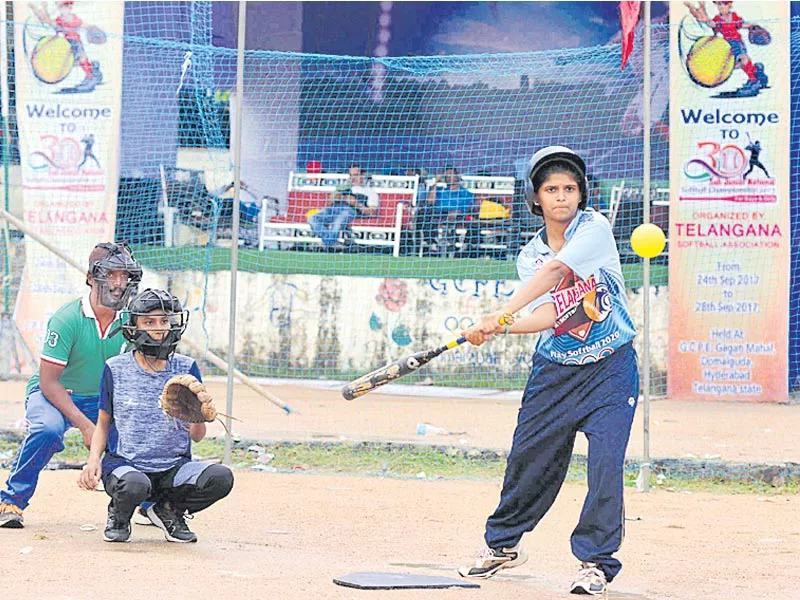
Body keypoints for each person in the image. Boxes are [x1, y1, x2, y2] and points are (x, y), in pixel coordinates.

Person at [457, 146, 639, 596]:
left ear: (581, 194)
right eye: (551, 190)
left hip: (611, 370)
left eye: (570, 189)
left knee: (605, 465)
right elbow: (548, 315)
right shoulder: (529, 254)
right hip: (554, 374)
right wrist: (498, 328)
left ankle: (595, 562)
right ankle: (501, 545)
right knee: (529, 461)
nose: (562, 197)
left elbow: (559, 271)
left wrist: (499, 313)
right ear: (536, 198)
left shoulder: (594, 228)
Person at [0, 242, 142, 528]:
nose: (118, 283)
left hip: (100, 397)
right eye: (111, 274)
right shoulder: (67, 319)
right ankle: (11, 500)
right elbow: (48, 382)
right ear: (91, 277)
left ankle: (152, 504)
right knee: (48, 430)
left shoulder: (130, 320)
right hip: (55, 394)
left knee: (135, 433)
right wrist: (87, 426)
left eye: (124, 275)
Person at [78, 288, 234, 543]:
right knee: (135, 485)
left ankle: (167, 509)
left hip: (174, 467)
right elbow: (104, 421)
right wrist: (93, 460)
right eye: (149, 322)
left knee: (221, 477)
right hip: (127, 464)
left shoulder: (186, 367)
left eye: (164, 321)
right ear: (133, 327)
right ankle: (119, 514)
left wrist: (199, 414)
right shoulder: (115, 368)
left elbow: (196, 437)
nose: (159, 328)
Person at [684, 1, 768, 97]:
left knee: (743, 59)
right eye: (718, 5)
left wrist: (752, 26)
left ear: (729, 5)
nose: (721, 7)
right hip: (726, 45)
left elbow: (741, 24)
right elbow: (712, 24)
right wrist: (704, 16)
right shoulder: (718, 19)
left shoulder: (734, 16)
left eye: (723, 4)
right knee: (733, 66)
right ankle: (758, 72)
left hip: (737, 43)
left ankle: (754, 82)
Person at [308, 164, 380, 251]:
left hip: (350, 210)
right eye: (351, 176)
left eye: (356, 175)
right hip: (333, 209)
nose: (353, 178)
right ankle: (331, 242)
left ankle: (327, 243)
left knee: (339, 220)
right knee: (312, 218)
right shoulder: (342, 187)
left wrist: (356, 204)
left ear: (363, 176)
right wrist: (333, 198)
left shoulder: (370, 192)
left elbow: (372, 213)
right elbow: (327, 206)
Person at [415, 166, 480, 257]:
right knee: (424, 214)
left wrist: (458, 212)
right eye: (447, 175)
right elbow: (430, 202)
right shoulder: (441, 191)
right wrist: (436, 182)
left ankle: (461, 249)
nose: (449, 177)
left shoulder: (464, 193)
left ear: (457, 176)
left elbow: (469, 207)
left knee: (470, 221)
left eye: (451, 174)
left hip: (458, 216)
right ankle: (431, 243)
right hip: (439, 215)